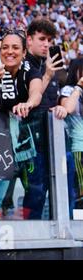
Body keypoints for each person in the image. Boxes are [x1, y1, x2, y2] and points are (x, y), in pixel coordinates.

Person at [0, 30, 43, 220]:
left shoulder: (29, 70)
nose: (9, 51)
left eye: (15, 47)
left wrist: (28, 103)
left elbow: (36, 92)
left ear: (23, 52)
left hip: (12, 137)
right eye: (5, 47)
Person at [17, 18, 67, 219]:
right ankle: (30, 234)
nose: (46, 44)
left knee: (56, 190)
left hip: (52, 138)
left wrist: (59, 107)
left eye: (49, 40)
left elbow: (52, 99)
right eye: (42, 39)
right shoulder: (22, 65)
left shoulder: (51, 67)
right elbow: (29, 102)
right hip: (30, 140)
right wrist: (46, 75)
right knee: (35, 191)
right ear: (29, 40)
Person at [60, 59, 83, 213]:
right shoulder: (69, 90)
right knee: (80, 190)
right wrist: (79, 87)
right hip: (78, 148)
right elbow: (67, 108)